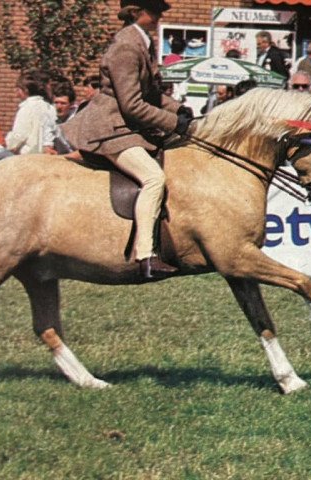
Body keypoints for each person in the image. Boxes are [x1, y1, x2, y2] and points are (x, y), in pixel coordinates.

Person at [62, 0, 191, 279]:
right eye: (154, 11)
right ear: (135, 13)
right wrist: (172, 123)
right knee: (154, 178)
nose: (159, 16)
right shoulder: (126, 46)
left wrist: (177, 109)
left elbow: (151, 94)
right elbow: (132, 104)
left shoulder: (142, 42)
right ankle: (145, 255)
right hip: (110, 127)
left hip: (125, 124)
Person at [5, 71, 57, 155]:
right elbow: (52, 132)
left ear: (25, 90)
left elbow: (19, 134)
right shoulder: (49, 107)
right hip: (44, 156)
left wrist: (10, 144)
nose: (16, 93)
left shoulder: (26, 108)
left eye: (18, 89)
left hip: (27, 156)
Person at [51, 84, 78, 154]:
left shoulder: (77, 120)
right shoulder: (51, 117)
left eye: (63, 103)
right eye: (56, 102)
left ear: (71, 104)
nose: (58, 107)